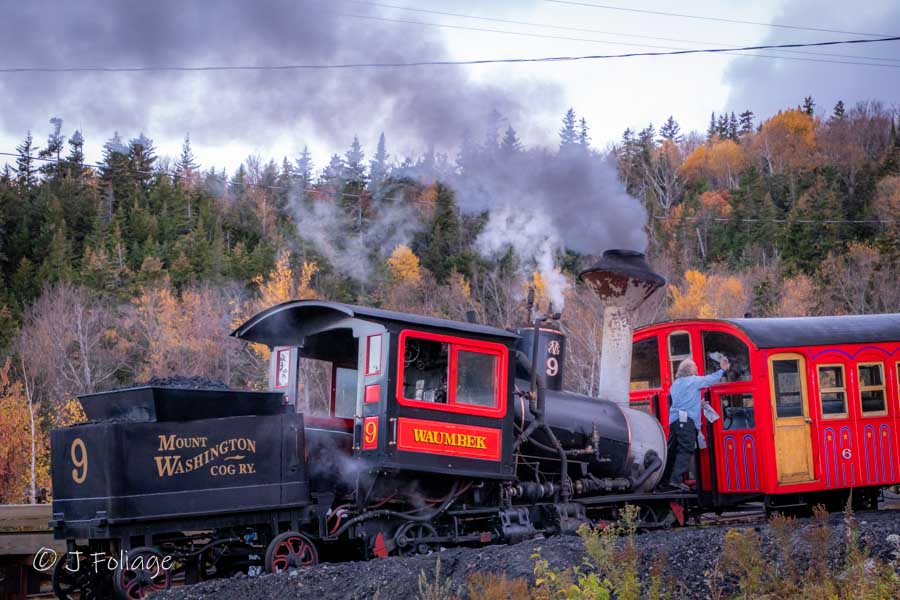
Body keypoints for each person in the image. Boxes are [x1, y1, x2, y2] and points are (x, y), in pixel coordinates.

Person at [660, 356, 730, 491]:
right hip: (686, 421)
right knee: (685, 449)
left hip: (675, 421)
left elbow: (683, 402)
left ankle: (664, 480)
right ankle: (675, 480)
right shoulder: (692, 381)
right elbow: (710, 380)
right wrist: (722, 369)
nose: (697, 370)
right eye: (696, 368)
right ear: (690, 370)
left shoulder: (676, 384)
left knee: (672, 450)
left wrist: (699, 403)